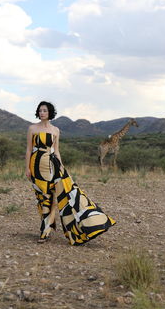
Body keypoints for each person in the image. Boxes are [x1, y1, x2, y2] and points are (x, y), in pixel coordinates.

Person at [25, 101, 116, 245]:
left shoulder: (55, 130)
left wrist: (61, 167)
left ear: (50, 113)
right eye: (40, 110)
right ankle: (47, 226)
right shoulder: (32, 129)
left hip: (51, 165)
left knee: (53, 196)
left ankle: (46, 231)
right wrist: (27, 168)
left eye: (45, 110)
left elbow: (57, 150)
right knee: (41, 197)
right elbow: (29, 149)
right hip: (35, 165)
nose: (42, 113)